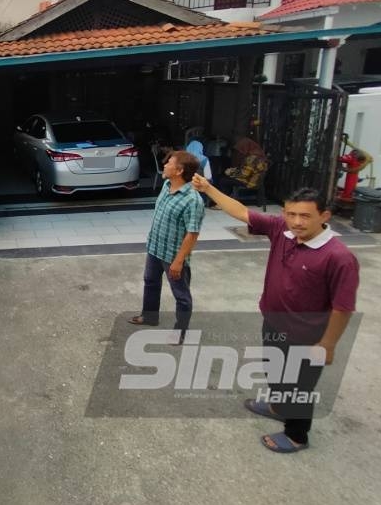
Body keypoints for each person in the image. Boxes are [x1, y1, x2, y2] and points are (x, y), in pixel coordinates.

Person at [191, 176, 359, 454]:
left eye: (305, 216)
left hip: (308, 337)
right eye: (291, 214)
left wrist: (327, 345)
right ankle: (278, 406)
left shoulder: (338, 257)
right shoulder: (281, 229)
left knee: (299, 388)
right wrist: (208, 189)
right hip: (273, 322)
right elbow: (241, 211)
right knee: (276, 372)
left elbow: (343, 307)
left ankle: (296, 435)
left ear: (324, 216)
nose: (297, 222)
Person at [129, 150, 204, 340]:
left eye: (169, 163)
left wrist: (179, 261)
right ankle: (149, 316)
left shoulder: (192, 200)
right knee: (151, 282)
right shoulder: (166, 185)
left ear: (179, 170)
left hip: (173, 255)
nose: (164, 165)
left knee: (181, 296)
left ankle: (180, 332)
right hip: (155, 248)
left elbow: (192, 233)